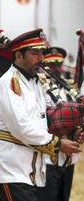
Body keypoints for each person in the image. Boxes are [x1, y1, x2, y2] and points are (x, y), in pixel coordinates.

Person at [0, 29, 82, 201]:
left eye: (41, 52)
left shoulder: (36, 82)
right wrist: (58, 144)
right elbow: (21, 127)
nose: (41, 58)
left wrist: (72, 131)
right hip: (12, 167)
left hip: (32, 168)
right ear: (19, 55)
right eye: (34, 53)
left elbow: (48, 117)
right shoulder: (9, 83)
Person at [37, 46, 80, 201]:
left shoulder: (69, 90)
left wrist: (77, 133)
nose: (56, 68)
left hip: (68, 159)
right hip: (49, 157)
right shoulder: (39, 89)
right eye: (51, 65)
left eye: (58, 64)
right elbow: (42, 121)